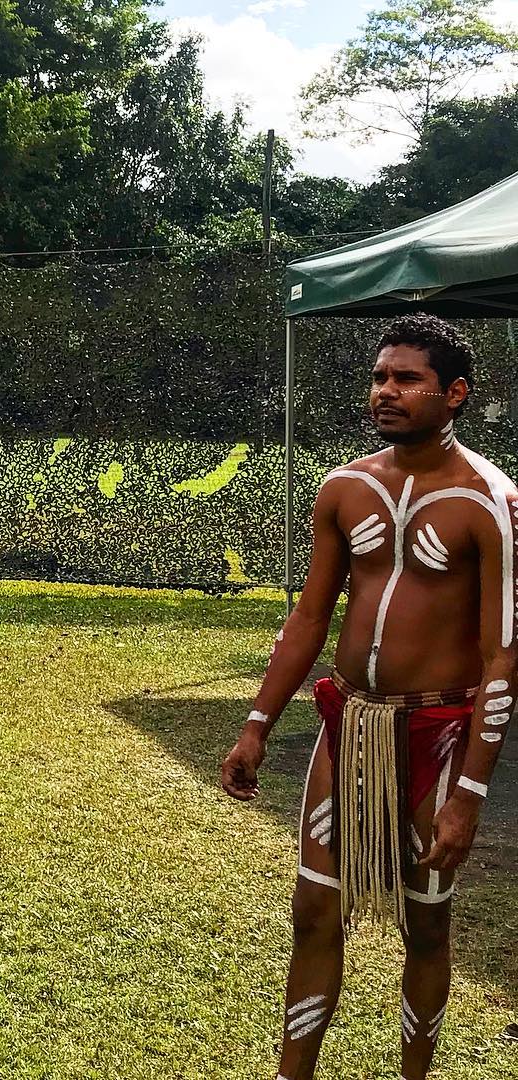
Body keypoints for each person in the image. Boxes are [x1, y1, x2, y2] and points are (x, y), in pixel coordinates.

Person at [221, 314, 516, 1080]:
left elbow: (501, 655)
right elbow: (311, 616)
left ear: (455, 394)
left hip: (440, 738)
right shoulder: (345, 488)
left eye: (405, 378)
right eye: (380, 376)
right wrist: (257, 725)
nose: (385, 390)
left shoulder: (491, 500)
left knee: (426, 924)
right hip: (349, 731)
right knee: (314, 912)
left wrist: (470, 795)